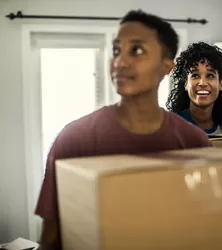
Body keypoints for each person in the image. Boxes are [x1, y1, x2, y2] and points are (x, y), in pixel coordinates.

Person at [35, 10, 211, 250]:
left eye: (136, 50)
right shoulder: (74, 139)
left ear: (166, 67)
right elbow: (50, 241)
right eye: (116, 51)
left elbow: (205, 228)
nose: (120, 62)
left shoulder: (193, 141)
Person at [166, 42, 222, 137]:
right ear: (186, 84)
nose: (202, 83)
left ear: (220, 84)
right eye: (195, 75)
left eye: (210, 76)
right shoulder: (170, 126)